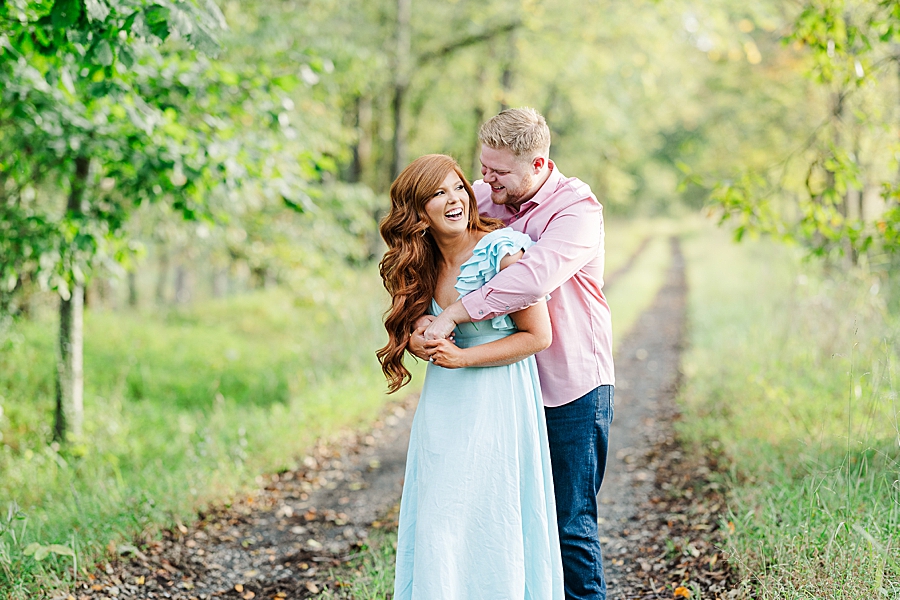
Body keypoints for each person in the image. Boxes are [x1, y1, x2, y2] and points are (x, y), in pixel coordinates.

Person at [414, 107, 615, 600]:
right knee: (508, 520)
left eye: (499, 171)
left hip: (569, 387)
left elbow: (529, 280)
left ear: (540, 164)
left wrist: (453, 315)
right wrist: (419, 321)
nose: (486, 181)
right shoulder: (486, 197)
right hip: (500, 390)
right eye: (483, 167)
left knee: (569, 526)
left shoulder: (577, 211)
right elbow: (446, 249)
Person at [377, 154, 564, 599]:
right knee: (441, 519)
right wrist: (418, 335)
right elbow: (419, 323)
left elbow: (538, 336)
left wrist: (463, 359)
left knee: (491, 517)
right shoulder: (421, 263)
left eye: (458, 187)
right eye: (438, 193)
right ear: (418, 214)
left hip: (497, 403)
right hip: (443, 411)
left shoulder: (502, 252)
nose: (456, 199)